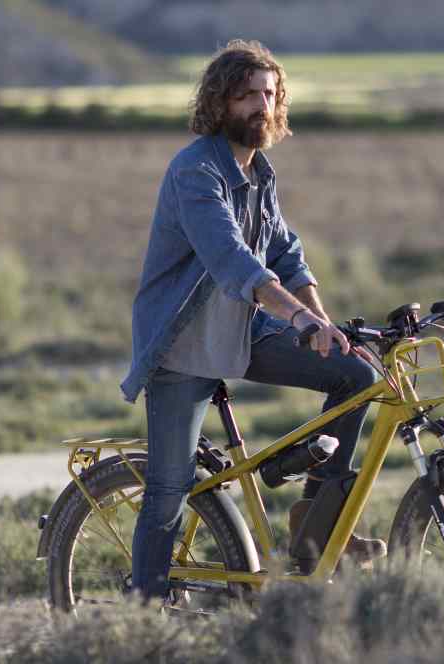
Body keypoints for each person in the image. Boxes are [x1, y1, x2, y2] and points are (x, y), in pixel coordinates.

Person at [119, 39, 385, 602]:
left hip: (242, 325)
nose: (261, 105)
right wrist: (299, 321)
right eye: (248, 95)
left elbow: (286, 254)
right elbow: (233, 260)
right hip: (183, 341)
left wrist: (324, 324)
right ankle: (143, 609)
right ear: (221, 103)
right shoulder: (195, 172)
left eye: (270, 94)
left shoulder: (260, 172)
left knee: (355, 375)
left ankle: (314, 531)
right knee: (169, 489)